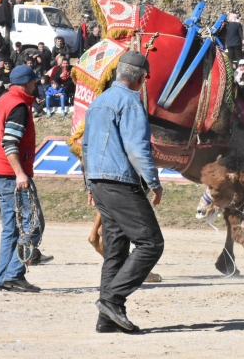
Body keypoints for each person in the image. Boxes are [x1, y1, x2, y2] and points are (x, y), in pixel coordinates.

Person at [82, 51, 164, 333]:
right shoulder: (130, 103)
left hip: (99, 182)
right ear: (141, 78)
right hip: (121, 183)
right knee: (151, 243)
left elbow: (86, 148)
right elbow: (136, 148)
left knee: (116, 250)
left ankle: (106, 319)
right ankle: (113, 301)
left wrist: (90, 184)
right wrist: (153, 182)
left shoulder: (98, 103)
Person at [0, 65, 46, 292]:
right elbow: (9, 142)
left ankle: (1, 277)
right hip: (11, 174)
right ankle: (14, 274)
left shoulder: (3, 100)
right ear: (27, 83)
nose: (36, 85)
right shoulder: (19, 106)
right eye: (34, 82)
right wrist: (20, 173)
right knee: (33, 224)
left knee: (11, 227)